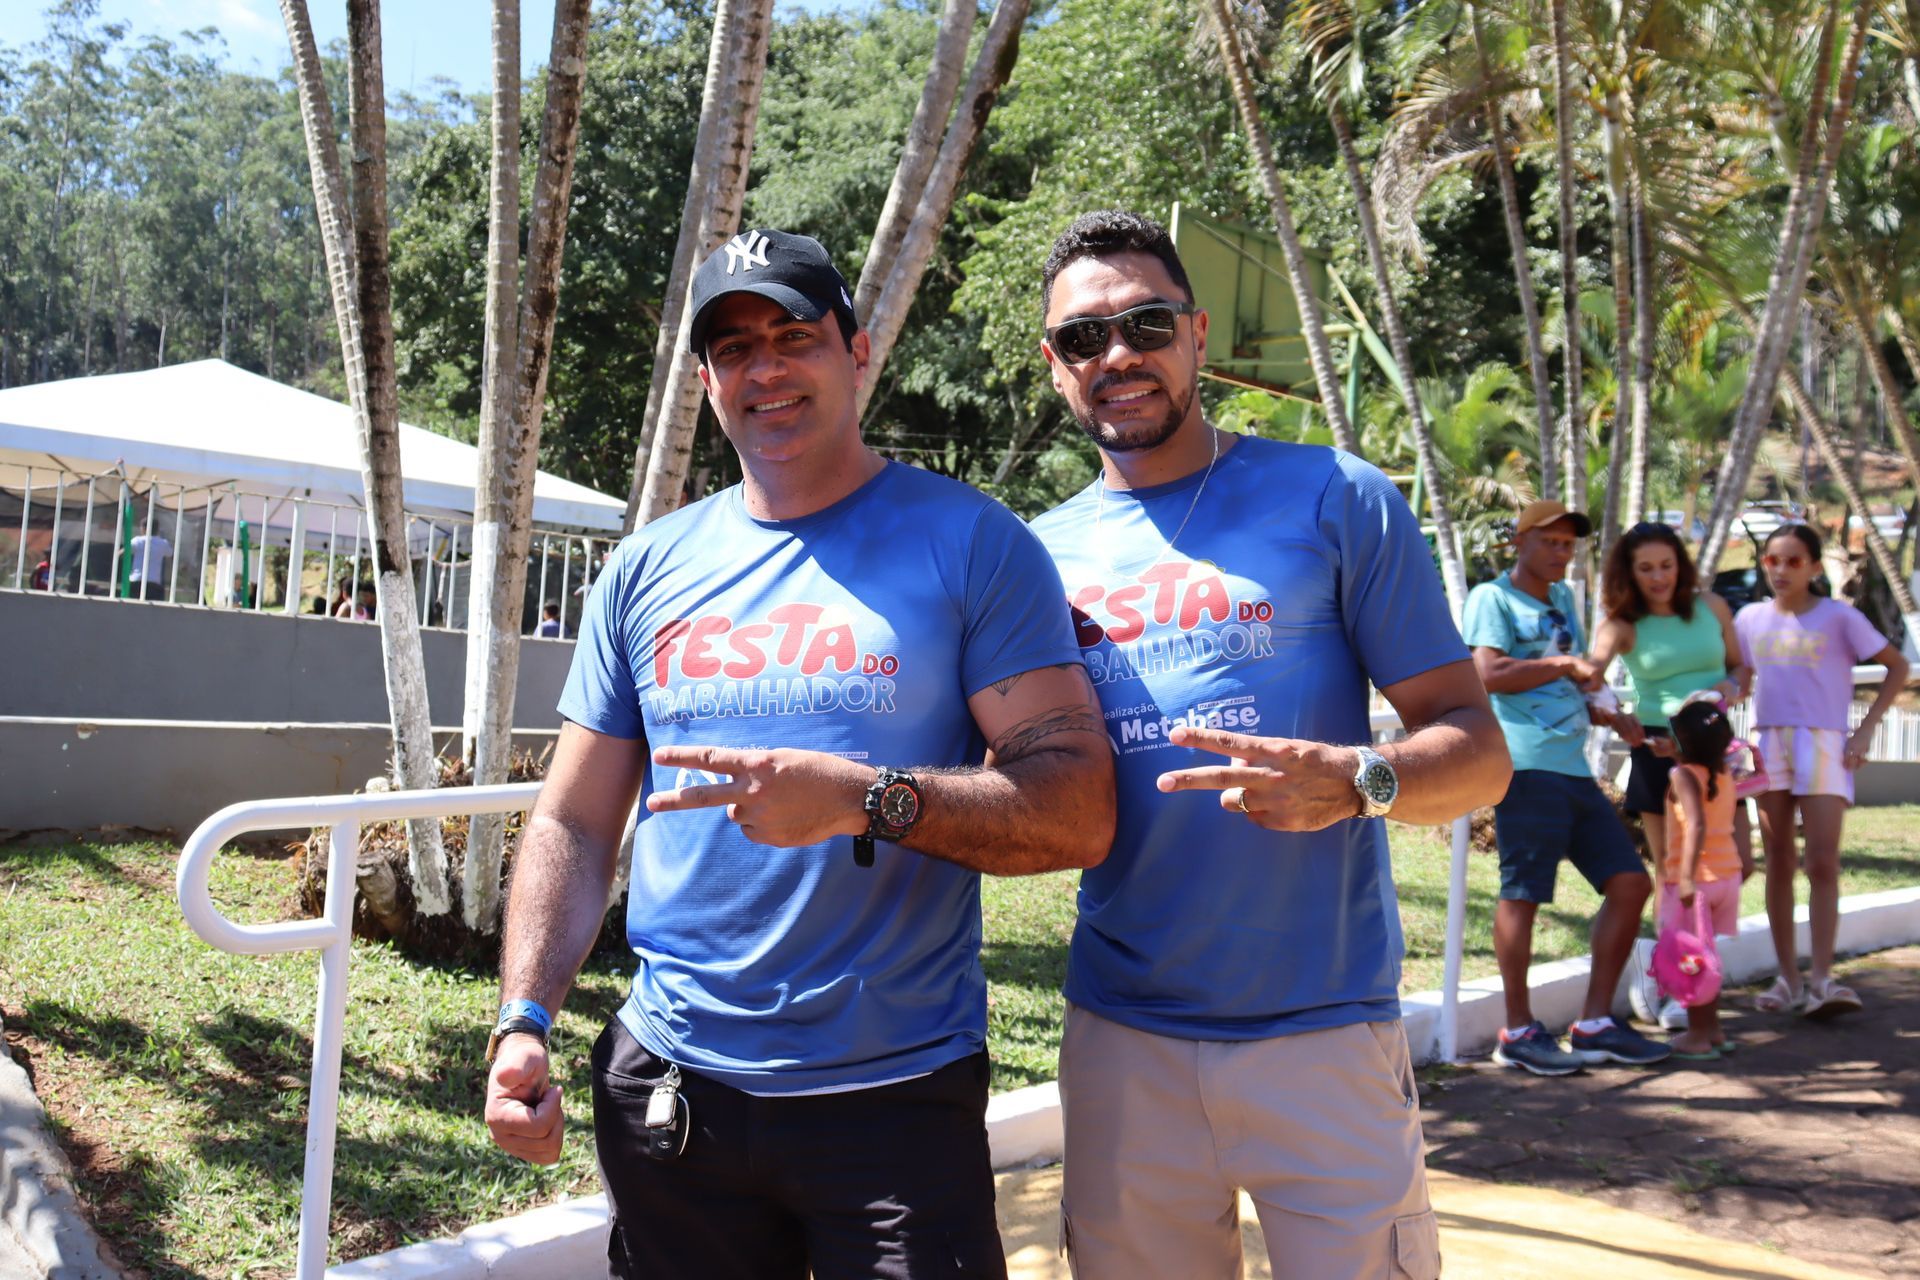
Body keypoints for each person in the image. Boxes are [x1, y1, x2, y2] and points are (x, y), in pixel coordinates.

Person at [483, 228, 1115, 1280]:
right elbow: (574, 820)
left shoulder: (972, 542)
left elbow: (1077, 808)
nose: (764, 369)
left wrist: (868, 799)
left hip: (894, 1102)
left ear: (856, 352)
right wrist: (523, 1020)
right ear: (706, 381)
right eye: (734, 349)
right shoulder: (646, 568)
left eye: (793, 337)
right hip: (674, 1094)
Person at [1025, 210, 1511, 1279]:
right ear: (1056, 366)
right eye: (1084, 338)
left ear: (1197, 333)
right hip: (1123, 1041)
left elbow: (1480, 749)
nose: (1118, 355)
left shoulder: (1335, 496)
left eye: (1147, 324)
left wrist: (1360, 780)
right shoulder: (1031, 556)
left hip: (1325, 1036)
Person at [1464, 500, 1673, 1075]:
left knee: (1631, 883)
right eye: (1550, 542)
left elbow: (1580, 681)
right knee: (1523, 893)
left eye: (1568, 544)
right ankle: (1518, 1031)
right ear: (1519, 542)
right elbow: (1487, 673)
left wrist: (1615, 716)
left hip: (1573, 769)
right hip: (1524, 766)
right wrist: (1565, 667)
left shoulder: (1560, 603)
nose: (1561, 552)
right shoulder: (1492, 598)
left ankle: (1595, 1023)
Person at [1738, 523, 1910, 1018]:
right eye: (1772, 560)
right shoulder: (1749, 619)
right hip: (1769, 743)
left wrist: (1865, 731)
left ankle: (1821, 980)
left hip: (1824, 743)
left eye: (1794, 561)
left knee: (1822, 863)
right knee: (1777, 860)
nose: (1781, 570)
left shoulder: (1839, 617)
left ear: (1815, 566)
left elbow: (1897, 666)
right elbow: (1740, 678)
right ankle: (1787, 980)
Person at [1590, 521, 1750, 1029]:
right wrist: (1618, 716)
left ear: (1681, 565)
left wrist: (1725, 691)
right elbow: (1590, 678)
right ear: (1629, 572)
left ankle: (1666, 960)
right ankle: (1679, 980)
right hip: (1660, 750)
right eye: (1646, 568)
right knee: (1676, 872)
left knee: (1734, 864)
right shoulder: (1622, 623)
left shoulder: (1713, 606)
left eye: (1667, 565)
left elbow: (1741, 668)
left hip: (1715, 748)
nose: (1659, 577)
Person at [1658, 697, 1750, 1059]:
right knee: (1707, 956)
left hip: (1695, 883)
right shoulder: (1724, 773)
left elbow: (1695, 824)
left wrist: (1684, 879)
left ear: (1682, 743)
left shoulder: (1681, 776)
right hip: (1726, 878)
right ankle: (1713, 1030)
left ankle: (1696, 1036)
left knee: (1692, 962)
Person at [128, 529, 171, 601]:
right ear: (157, 529)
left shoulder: (137, 541)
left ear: (143, 528)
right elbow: (171, 555)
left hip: (137, 580)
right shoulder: (163, 543)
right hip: (154, 582)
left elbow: (123, 553)